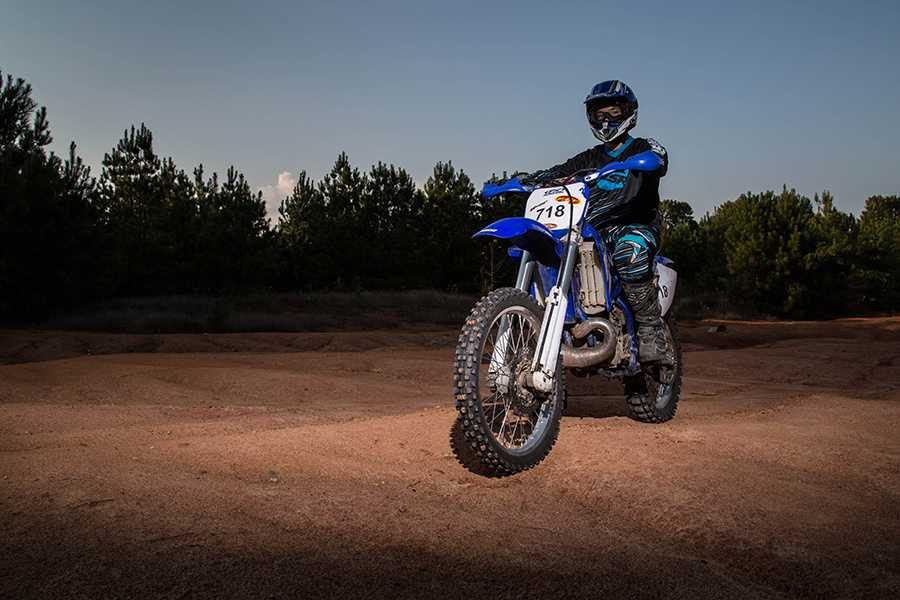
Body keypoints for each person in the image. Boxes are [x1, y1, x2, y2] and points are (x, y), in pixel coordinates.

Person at [522, 80, 672, 364]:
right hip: (594, 228)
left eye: (613, 111)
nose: (605, 120)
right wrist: (524, 181)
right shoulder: (590, 157)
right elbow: (558, 171)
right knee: (552, 251)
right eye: (599, 113)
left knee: (630, 253)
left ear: (628, 112)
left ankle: (652, 332)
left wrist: (651, 160)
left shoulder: (642, 147)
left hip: (636, 226)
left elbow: (658, 158)